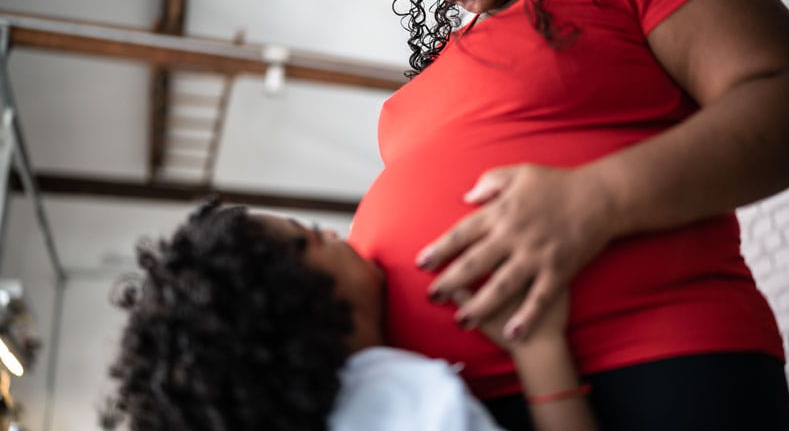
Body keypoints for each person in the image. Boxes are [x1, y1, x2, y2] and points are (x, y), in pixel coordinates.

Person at [349, 0, 789, 430]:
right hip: (459, 403)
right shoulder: (421, 88)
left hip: (656, 360)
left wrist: (593, 199)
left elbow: (785, 94)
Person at [109, 200, 597, 431]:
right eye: (318, 234)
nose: (342, 237)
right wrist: (540, 349)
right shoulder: (410, 409)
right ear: (302, 302)